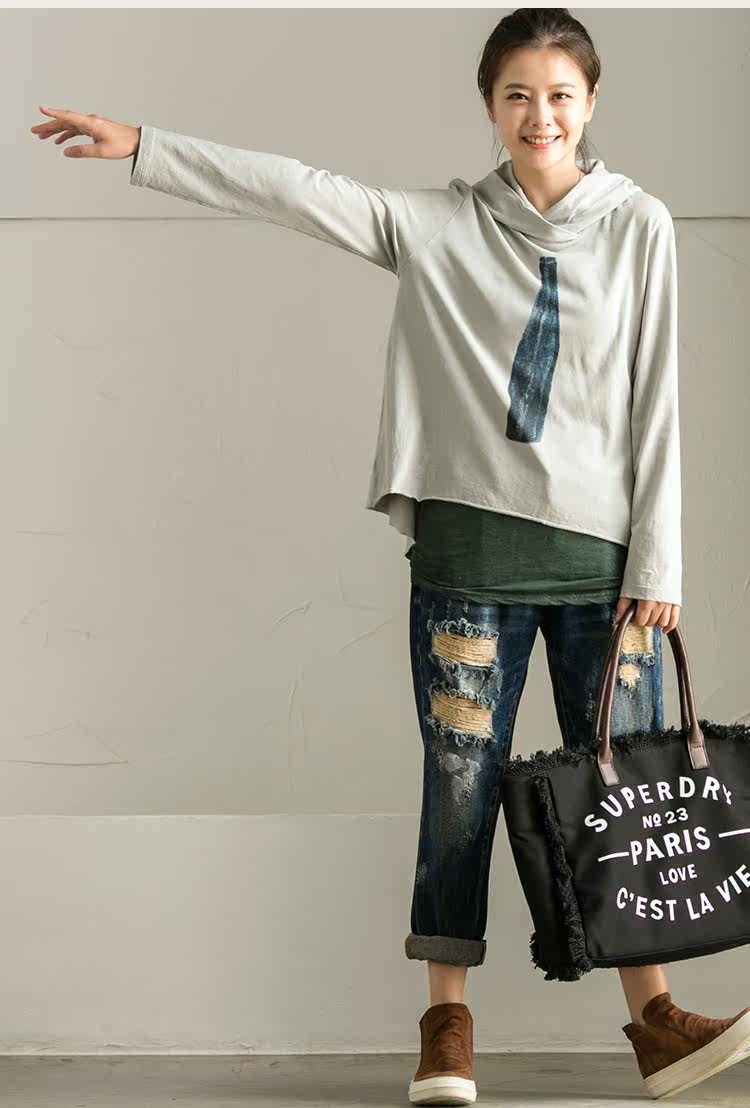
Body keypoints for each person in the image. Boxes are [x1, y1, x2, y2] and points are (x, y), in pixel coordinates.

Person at [30, 7, 750, 1104]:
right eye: (517, 95)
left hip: (607, 575)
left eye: (560, 95)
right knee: (459, 792)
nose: (540, 116)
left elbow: (659, 400)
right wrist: (146, 146)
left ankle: (653, 1019)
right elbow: (296, 189)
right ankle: (446, 1022)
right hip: (467, 563)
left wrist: (661, 565)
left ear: (591, 102)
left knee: (624, 795)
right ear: (489, 106)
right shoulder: (438, 224)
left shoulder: (639, 225)